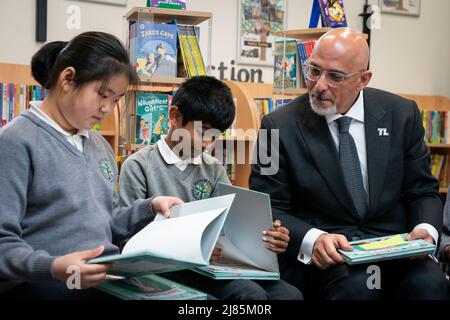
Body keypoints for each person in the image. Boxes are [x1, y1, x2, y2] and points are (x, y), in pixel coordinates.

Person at [249, 27, 450, 300]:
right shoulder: (274, 126)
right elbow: (267, 205)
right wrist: (313, 238)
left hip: (395, 251)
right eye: (314, 70)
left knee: (432, 283)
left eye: (335, 76)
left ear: (363, 79)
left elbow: (422, 190)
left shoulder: (403, 115)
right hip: (328, 257)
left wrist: (426, 230)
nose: (319, 85)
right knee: (356, 289)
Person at [0, 31, 182, 300]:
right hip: (43, 281)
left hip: (101, 275)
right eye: (102, 95)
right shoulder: (16, 141)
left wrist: (150, 206)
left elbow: (105, 220)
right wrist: (55, 267)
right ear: (67, 78)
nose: (107, 108)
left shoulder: (99, 146)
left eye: (116, 99)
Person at [118, 76, 303, 300]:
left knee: (290, 295)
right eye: (202, 131)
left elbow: (231, 226)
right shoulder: (139, 165)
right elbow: (126, 236)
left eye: (215, 135)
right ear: (175, 116)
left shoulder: (213, 168)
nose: (207, 143)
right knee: (249, 296)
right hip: (166, 268)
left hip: (210, 265)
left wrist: (266, 237)